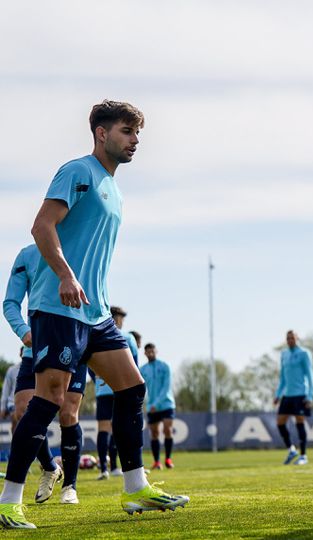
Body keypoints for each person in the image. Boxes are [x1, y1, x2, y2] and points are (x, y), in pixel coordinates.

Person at [0, 101, 187, 529]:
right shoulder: (78, 171)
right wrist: (65, 276)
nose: (135, 141)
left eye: (137, 133)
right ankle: (9, 501)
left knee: (132, 386)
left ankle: (136, 487)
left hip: (96, 312)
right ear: (102, 134)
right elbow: (41, 226)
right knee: (48, 401)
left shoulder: (113, 188)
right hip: (60, 307)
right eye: (127, 132)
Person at [3, 243, 89, 505]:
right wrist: (24, 331)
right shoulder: (27, 254)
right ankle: (51, 467)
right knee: (21, 411)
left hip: (74, 342)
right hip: (37, 346)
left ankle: (70, 486)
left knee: (67, 413)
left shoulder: (79, 246)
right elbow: (10, 303)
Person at [93, 306, 139, 480]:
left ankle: (104, 469)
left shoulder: (95, 334)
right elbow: (134, 364)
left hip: (103, 389)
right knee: (119, 427)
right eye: (120, 318)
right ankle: (113, 467)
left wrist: (98, 377)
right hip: (121, 388)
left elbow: (89, 362)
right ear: (116, 318)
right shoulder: (127, 337)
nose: (120, 321)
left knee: (104, 428)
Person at [274, 330, 313, 466]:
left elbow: (310, 375)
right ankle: (291, 449)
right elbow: (282, 377)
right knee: (280, 422)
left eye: (292, 338)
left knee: (299, 422)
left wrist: (310, 395)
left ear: (297, 339)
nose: (290, 340)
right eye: (288, 338)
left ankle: (303, 456)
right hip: (287, 394)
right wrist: (277, 394)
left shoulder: (304, 354)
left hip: (300, 393)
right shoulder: (284, 354)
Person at [140, 343, 176, 470]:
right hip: (151, 406)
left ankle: (168, 459)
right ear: (145, 353)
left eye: (152, 351)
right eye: (148, 352)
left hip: (166, 404)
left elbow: (166, 387)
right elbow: (141, 388)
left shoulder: (165, 366)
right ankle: (157, 462)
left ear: (156, 351)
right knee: (154, 433)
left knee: (168, 430)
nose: (150, 353)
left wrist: (157, 403)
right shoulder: (142, 369)